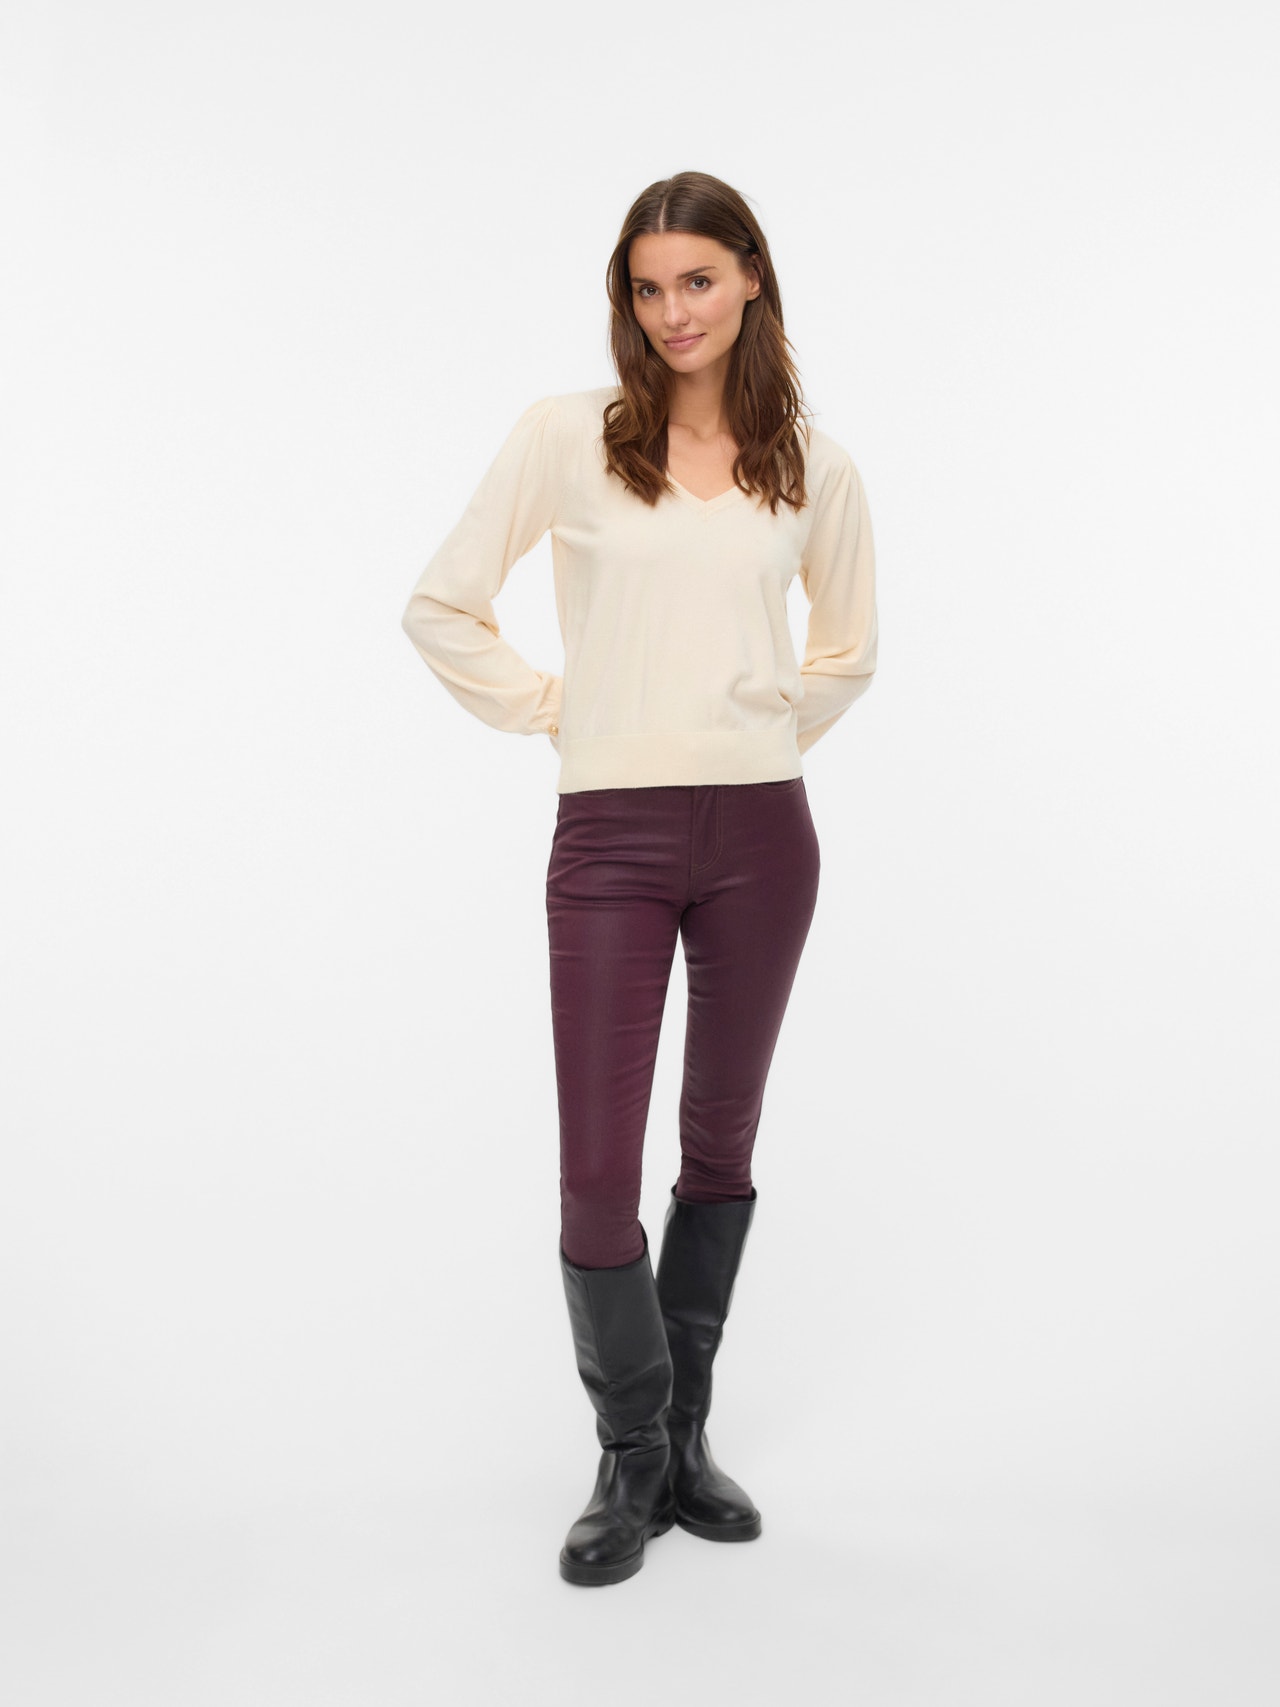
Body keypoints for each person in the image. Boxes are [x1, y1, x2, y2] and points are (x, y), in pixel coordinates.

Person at [400, 170, 878, 1587]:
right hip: (608, 838)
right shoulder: (569, 437)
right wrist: (568, 711)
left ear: (750, 280)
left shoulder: (814, 465)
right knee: (600, 1175)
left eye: (698, 281)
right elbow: (440, 604)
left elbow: (849, 652)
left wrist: (759, 725)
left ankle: (681, 1441)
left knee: (718, 1148)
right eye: (648, 286)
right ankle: (629, 1449)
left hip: (764, 842)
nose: (673, 312)